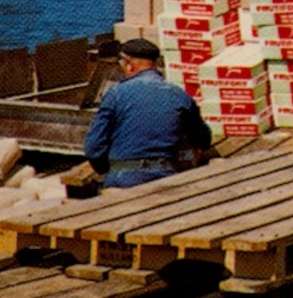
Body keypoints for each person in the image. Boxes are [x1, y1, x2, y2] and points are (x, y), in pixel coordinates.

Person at [84, 38, 212, 189]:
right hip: (166, 177)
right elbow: (203, 139)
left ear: (129, 65)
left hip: (123, 179)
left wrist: (109, 170)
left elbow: (93, 148)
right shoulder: (179, 95)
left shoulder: (115, 94)